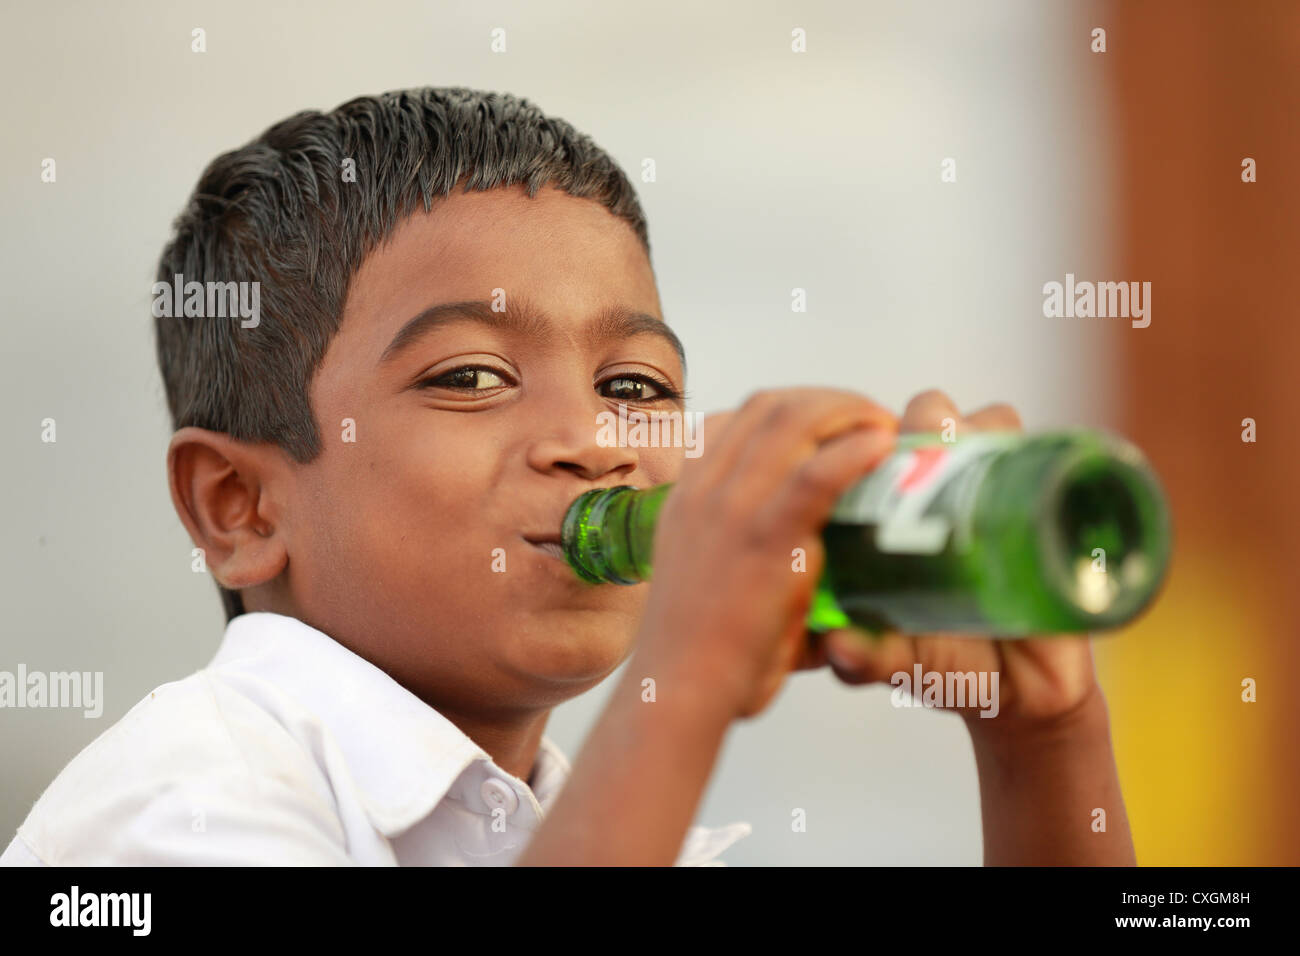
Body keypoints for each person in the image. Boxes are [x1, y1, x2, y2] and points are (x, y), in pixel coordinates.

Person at [1, 87, 1133, 866]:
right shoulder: (173, 804)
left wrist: (1041, 738)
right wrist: (682, 685)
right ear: (237, 506)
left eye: (636, 386)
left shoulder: (584, 824)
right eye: (473, 375)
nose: (595, 440)